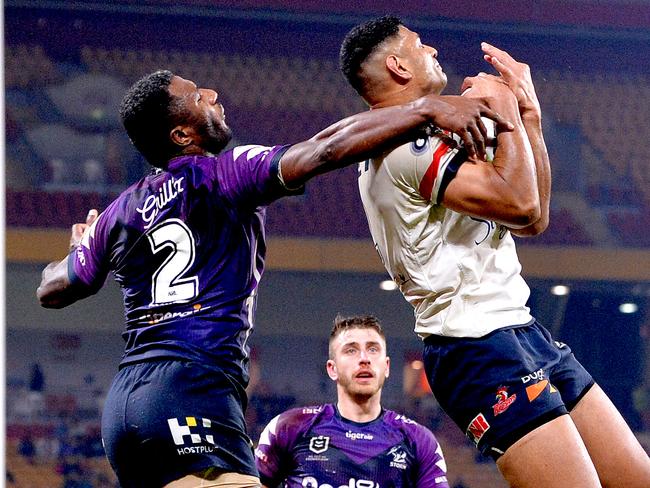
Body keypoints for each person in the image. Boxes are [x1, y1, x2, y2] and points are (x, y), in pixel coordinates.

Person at [36, 68, 509, 488]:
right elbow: (325, 150)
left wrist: (79, 247)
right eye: (198, 96)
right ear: (182, 134)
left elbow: (53, 289)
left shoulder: (120, 210)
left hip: (124, 409)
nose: (213, 92)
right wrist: (424, 110)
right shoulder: (223, 173)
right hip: (193, 388)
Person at [339, 15, 650, 488]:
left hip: (522, 330)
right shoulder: (403, 145)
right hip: (474, 345)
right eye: (420, 45)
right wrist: (505, 108)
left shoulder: (434, 131)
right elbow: (521, 203)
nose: (434, 52)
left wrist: (529, 117)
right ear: (398, 65)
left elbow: (534, 217)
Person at [255, 314, 449, 488]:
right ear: (332, 369)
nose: (364, 358)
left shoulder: (419, 440)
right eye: (351, 350)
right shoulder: (288, 427)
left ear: (387, 366)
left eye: (373, 349)